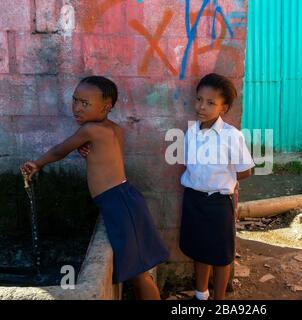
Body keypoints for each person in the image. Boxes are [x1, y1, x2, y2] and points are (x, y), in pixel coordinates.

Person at [20, 76, 169, 300]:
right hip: (126, 197)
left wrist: (37, 164)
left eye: (85, 104)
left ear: (106, 107)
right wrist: (86, 150)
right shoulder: (114, 129)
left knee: (139, 275)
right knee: (138, 272)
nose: (77, 108)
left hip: (117, 203)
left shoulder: (89, 130)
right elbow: (106, 158)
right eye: (75, 101)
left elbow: (61, 150)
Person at [179, 73, 255, 300]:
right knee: (199, 249)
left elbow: (245, 170)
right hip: (193, 199)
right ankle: (201, 294)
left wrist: (223, 180)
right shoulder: (191, 132)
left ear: (224, 107)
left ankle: (219, 299)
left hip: (218, 203)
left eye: (211, 102)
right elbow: (188, 163)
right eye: (199, 99)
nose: (202, 106)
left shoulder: (232, 136)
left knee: (221, 255)